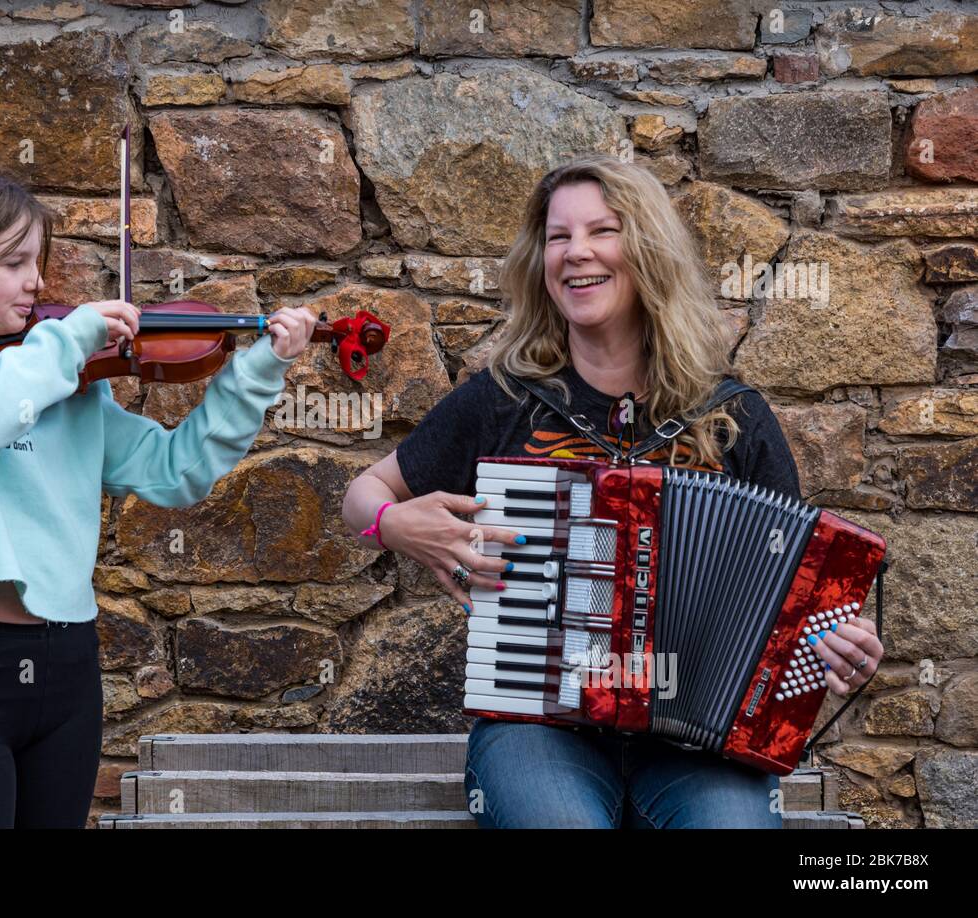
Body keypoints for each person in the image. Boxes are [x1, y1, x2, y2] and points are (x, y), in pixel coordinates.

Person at [340, 154, 884, 828]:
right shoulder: (504, 400)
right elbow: (362, 493)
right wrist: (392, 524)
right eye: (559, 236)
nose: (577, 253)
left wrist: (839, 648)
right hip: (538, 728)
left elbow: (796, 598)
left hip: (698, 741)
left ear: (647, 249)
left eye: (602, 231)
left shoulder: (734, 418)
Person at [0, 166, 317, 828]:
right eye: (12, 262)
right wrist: (63, 344)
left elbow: (179, 470)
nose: (36, 281)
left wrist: (258, 371)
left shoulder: (63, 385)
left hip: (67, 670)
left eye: (39, 260)